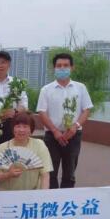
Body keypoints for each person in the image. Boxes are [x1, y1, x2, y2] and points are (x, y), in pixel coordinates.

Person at [36, 53, 93, 189]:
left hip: (73, 135)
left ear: (72, 67)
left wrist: (75, 126)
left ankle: (67, 198)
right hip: (52, 136)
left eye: (66, 65)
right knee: (50, 172)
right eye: (59, 66)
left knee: (70, 173)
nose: (62, 68)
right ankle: (52, 199)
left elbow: (86, 110)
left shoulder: (80, 88)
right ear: (54, 68)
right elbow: (42, 112)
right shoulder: (46, 89)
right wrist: (55, 131)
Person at [0, 50, 28, 191]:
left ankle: (10, 195)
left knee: (13, 162)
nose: (0, 65)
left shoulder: (17, 84)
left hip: (11, 127)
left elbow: (24, 105)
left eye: (3, 62)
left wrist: (14, 112)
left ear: (9, 65)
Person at [0, 112, 52, 191]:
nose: (21, 130)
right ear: (13, 129)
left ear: (31, 130)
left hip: (33, 193)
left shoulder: (39, 145)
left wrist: (43, 194)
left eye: (25, 127)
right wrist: (8, 175)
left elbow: (45, 174)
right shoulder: (2, 148)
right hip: (7, 193)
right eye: (18, 126)